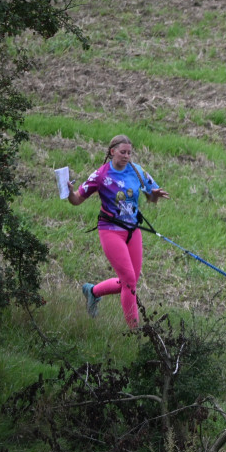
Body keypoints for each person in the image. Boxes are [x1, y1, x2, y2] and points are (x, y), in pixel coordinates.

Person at [67, 134, 169, 328]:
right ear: (112, 151)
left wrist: (154, 196)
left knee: (129, 282)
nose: (127, 156)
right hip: (110, 231)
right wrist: (69, 193)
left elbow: (151, 197)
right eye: (123, 152)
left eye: (129, 153)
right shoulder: (101, 175)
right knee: (129, 281)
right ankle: (135, 332)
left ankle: (93, 292)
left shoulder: (137, 171)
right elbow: (77, 200)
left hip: (133, 231)